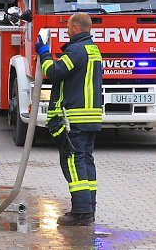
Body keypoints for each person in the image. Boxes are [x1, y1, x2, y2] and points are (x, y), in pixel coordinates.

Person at [35, 12, 103, 226]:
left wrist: (44, 53)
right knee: (86, 161)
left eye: (68, 26)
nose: (66, 29)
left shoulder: (76, 50)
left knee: (73, 162)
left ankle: (81, 212)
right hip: (90, 117)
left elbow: (54, 72)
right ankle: (89, 208)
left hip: (74, 117)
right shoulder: (92, 49)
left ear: (75, 28)